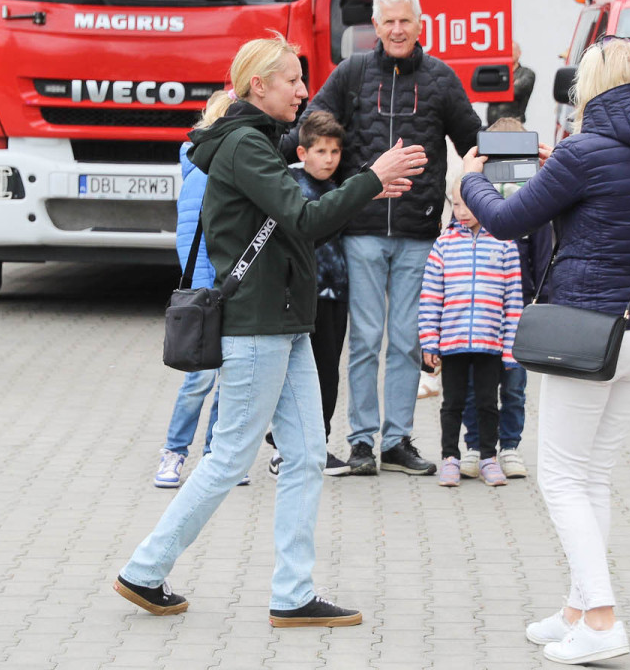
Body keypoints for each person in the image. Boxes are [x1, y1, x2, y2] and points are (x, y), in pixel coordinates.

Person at [114, 33, 425, 627]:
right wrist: (369, 177)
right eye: (293, 80)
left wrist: (366, 188)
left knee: (306, 456)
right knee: (230, 457)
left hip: (285, 325)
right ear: (258, 85)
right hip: (258, 328)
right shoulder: (244, 148)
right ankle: (145, 569)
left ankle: (292, 595)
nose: (305, 91)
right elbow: (306, 219)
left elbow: (299, 230)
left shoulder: (257, 144)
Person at [460, 36, 630, 664]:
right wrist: (559, 167)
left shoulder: (583, 152)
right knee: (593, 476)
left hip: (587, 328)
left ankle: (604, 620)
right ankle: (578, 610)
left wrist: (471, 180)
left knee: (561, 478)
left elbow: (507, 222)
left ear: (594, 83)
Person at [289, 0, 482, 477]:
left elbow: (474, 142)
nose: (397, 30)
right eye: (388, 21)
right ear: (374, 26)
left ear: (421, 25)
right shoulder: (352, 73)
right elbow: (310, 126)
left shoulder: (440, 79)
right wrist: (256, 143)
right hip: (362, 230)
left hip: (419, 233)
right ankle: (359, 443)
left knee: (406, 342)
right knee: (366, 339)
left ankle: (396, 440)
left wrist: (522, 159)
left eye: (406, 21)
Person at [457, 116, 553, 481]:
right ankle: (475, 446)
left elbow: (543, 258)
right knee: (472, 386)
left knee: (514, 386)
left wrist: (539, 304)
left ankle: (510, 446)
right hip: (476, 315)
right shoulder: (473, 208)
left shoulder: (536, 209)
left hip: (517, 316)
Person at [419, 177, 522, 488]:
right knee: (453, 403)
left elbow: (513, 300)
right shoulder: (444, 245)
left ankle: (489, 457)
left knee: (488, 403)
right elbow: (431, 296)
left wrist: (510, 348)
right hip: (452, 342)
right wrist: (429, 341)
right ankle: (449, 457)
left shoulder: (505, 244)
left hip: (489, 343)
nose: (462, 211)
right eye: (457, 204)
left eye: (469, 203)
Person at [154, 142, 234, 489]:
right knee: (200, 379)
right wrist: (207, 289)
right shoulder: (202, 175)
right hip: (207, 293)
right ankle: (174, 452)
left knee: (229, 379)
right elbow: (191, 241)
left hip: (229, 289)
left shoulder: (226, 169)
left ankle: (215, 454)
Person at [284, 110, 352, 477]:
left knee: (328, 373)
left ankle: (318, 445)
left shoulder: (336, 188)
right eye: (321, 151)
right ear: (301, 152)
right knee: (298, 377)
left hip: (336, 294)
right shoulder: (292, 187)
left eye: (335, 152)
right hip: (303, 298)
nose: (328, 159)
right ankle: (287, 450)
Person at [489, 42, 535, 124]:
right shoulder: (496, 73)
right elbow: (483, 91)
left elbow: (516, 90)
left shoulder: (527, 73)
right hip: (493, 125)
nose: (510, 53)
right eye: (507, 50)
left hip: (513, 124)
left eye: (512, 50)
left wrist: (495, 90)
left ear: (519, 53)